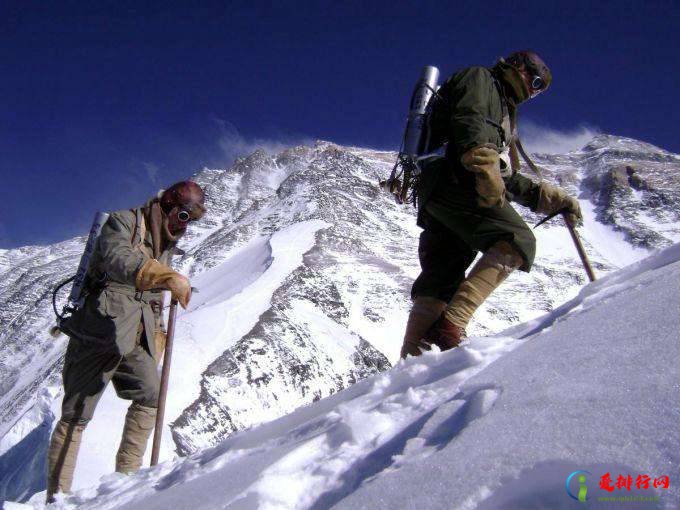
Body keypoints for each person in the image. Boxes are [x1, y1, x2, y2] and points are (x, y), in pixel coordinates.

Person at [400, 51, 581, 358]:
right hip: (458, 182)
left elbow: (503, 175)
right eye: (535, 82)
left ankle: (409, 367)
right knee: (517, 239)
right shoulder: (482, 80)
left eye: (539, 91)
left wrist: (547, 198)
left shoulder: (500, 104)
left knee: (440, 280)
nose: (533, 92)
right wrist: (483, 168)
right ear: (518, 68)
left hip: (438, 193)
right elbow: (471, 126)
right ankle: (451, 327)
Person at [46, 181, 206, 501]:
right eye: (183, 215)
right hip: (100, 328)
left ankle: (126, 487)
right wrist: (162, 276)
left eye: (191, 219)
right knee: (77, 414)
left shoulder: (165, 245)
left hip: (138, 333)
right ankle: (56, 498)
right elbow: (117, 259)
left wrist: (157, 335)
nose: (183, 225)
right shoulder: (123, 222)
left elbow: (151, 301)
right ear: (167, 205)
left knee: (151, 395)